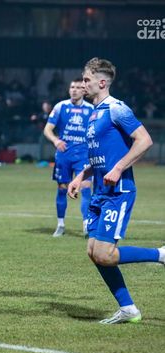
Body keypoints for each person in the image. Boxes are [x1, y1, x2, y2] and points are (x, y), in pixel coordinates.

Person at [68, 57, 165, 324]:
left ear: (102, 82)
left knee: (105, 254)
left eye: (86, 80)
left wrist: (119, 167)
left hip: (118, 191)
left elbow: (144, 140)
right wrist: (81, 176)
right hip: (99, 192)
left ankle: (160, 254)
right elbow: (101, 156)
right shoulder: (94, 113)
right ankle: (128, 309)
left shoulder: (116, 109)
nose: (82, 84)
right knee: (93, 252)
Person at [44, 78, 94, 237]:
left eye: (78, 87)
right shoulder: (61, 107)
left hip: (83, 156)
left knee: (85, 188)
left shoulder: (91, 109)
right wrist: (55, 140)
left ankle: (86, 225)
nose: (74, 90)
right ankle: (60, 224)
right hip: (64, 155)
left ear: (84, 91)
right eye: (72, 87)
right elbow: (47, 129)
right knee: (62, 190)